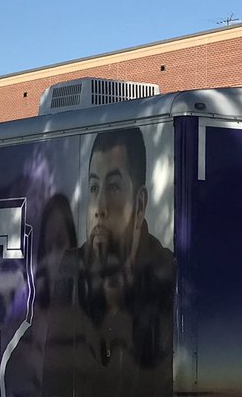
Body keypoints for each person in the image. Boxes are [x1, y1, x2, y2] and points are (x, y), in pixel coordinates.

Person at [74, 128, 175, 397]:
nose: (100, 206)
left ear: (140, 205)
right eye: (94, 188)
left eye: (114, 187)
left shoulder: (168, 281)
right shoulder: (70, 273)